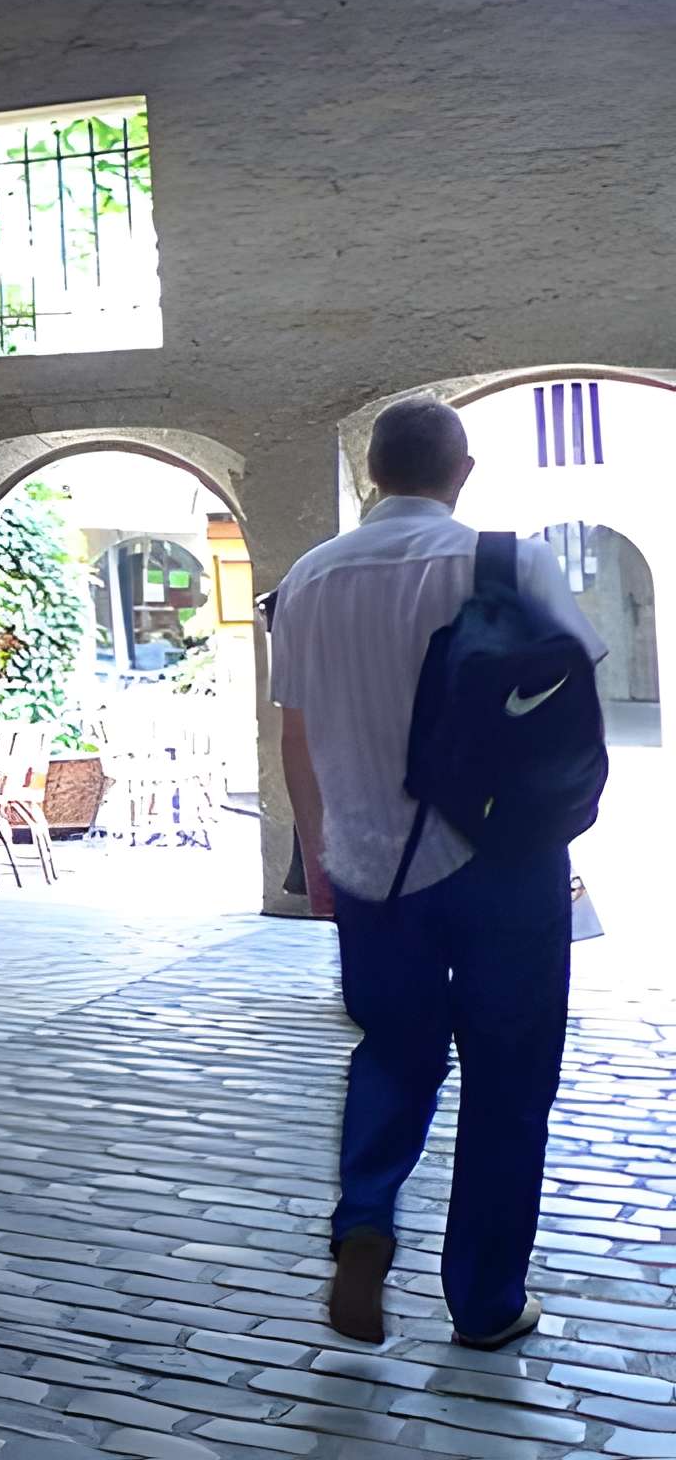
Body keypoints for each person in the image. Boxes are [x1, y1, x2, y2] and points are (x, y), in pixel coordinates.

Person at [274, 397, 598, 1351]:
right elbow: (573, 693)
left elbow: (296, 734)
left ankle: (366, 1219)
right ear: (462, 471)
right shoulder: (508, 563)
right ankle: (486, 1302)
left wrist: (320, 855)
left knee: (392, 1048)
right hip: (503, 862)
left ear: (372, 471)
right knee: (509, 1078)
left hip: (370, 868)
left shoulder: (308, 577)